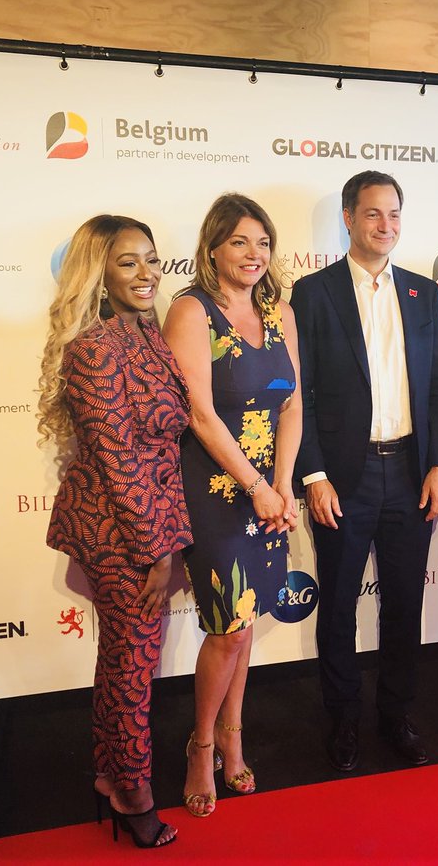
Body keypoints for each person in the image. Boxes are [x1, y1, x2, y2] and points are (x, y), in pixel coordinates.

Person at [291, 170, 438, 771]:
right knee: (337, 606)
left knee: (405, 604)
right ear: (348, 218)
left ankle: (396, 715)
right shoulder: (313, 293)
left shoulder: (422, 292)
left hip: (410, 473)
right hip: (343, 478)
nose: (385, 226)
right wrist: (313, 475)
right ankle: (343, 721)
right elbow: (300, 395)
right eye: (372, 214)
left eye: (394, 214)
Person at [38, 214, 187, 849]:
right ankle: (134, 795)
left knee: (123, 660)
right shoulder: (95, 349)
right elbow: (118, 460)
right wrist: (157, 553)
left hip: (148, 521)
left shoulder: (147, 333)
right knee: (133, 668)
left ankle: (110, 774)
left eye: (152, 259)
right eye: (129, 262)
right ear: (99, 273)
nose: (147, 273)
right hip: (119, 532)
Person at [162, 193, 300, 817]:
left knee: (245, 627)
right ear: (213, 248)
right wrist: (257, 487)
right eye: (240, 241)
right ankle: (199, 745)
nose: (254, 253)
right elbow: (199, 414)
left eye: (262, 242)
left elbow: (292, 404)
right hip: (216, 491)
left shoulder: (279, 312)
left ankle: (231, 736)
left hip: (269, 492)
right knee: (229, 627)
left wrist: (284, 484)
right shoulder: (192, 310)